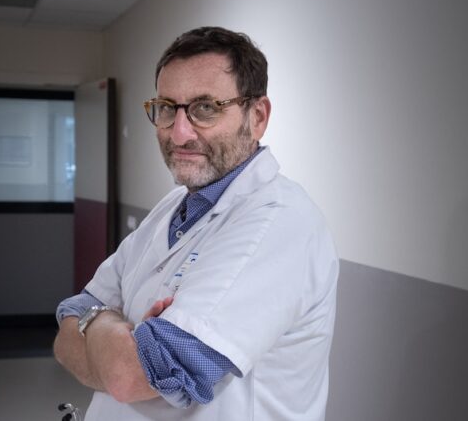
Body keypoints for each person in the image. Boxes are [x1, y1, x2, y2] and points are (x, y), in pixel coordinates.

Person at [54, 26, 339, 420]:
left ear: (257, 117)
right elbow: (66, 333)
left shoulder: (277, 224)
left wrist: (98, 321)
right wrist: (113, 332)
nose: (179, 132)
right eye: (167, 107)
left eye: (206, 108)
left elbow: (127, 377)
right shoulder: (173, 207)